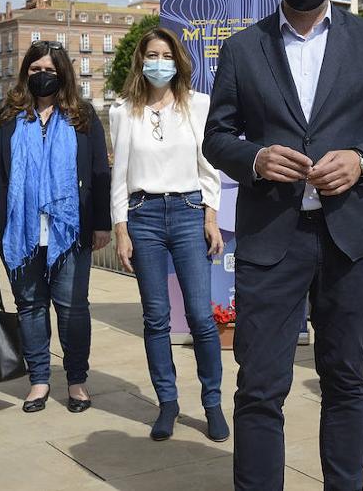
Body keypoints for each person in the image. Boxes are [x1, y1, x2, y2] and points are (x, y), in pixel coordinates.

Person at [203, 0, 363, 491]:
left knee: (346, 380)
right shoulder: (244, 47)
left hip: (351, 238)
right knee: (259, 386)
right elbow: (217, 136)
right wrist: (255, 159)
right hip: (273, 238)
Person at [0, 41, 112, 414]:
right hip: (19, 231)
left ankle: (77, 380)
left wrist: (102, 223)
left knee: (73, 309)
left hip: (69, 232)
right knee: (30, 307)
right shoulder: (3, 114)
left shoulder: (82, 115)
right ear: (25, 73)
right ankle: (38, 380)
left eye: (49, 69)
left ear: (62, 72)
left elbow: (100, 172)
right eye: (35, 70)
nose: (42, 75)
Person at [110, 27, 228, 442]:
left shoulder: (198, 105)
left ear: (177, 60)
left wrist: (210, 217)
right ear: (141, 61)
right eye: (151, 54)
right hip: (142, 216)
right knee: (156, 318)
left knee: (200, 315)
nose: (158, 62)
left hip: (187, 211)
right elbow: (120, 175)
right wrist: (120, 228)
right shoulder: (123, 111)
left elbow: (209, 167)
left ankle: (212, 403)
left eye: (166, 54)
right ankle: (168, 403)